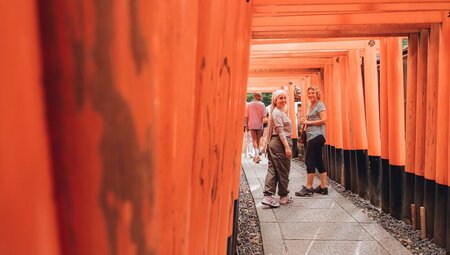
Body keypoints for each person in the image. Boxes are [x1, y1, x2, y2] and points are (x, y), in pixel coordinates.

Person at [261, 90, 293, 208]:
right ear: (275, 100)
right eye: (280, 98)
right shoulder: (277, 113)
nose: (283, 100)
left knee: (273, 169)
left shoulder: (278, 111)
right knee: (283, 169)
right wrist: (287, 147)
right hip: (280, 143)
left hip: (275, 143)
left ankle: (268, 196)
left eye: (285, 98)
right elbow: (280, 131)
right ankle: (283, 196)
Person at [295, 86, 328, 196]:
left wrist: (309, 123)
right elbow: (311, 119)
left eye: (312, 93)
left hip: (317, 135)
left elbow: (324, 120)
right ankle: (323, 187)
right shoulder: (310, 106)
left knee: (309, 160)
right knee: (319, 160)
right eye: (308, 93)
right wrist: (305, 120)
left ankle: (309, 187)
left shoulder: (320, 104)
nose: (310, 95)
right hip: (312, 136)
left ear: (317, 93)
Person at [246, 92, 267, 163]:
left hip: (251, 124)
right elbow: (264, 116)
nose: (261, 98)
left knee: (254, 140)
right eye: (260, 96)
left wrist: (246, 125)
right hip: (259, 124)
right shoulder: (262, 104)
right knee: (257, 140)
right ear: (257, 96)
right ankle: (257, 155)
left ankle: (256, 155)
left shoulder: (249, 105)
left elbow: (246, 116)